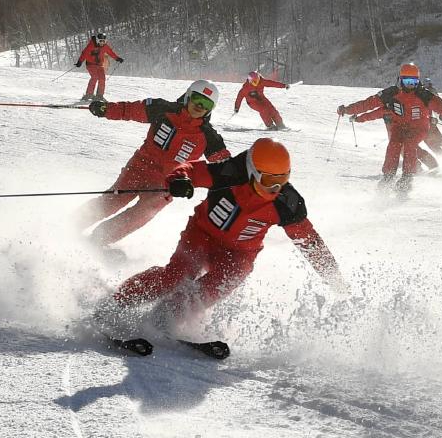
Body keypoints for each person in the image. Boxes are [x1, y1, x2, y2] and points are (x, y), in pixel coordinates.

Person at [106, 138, 345, 325]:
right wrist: (180, 179)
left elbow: (311, 243)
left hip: (239, 253)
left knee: (219, 284)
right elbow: (190, 169)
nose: (274, 188)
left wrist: (334, 278)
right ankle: (118, 301)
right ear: (252, 171)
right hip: (201, 235)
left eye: (281, 180)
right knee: (176, 277)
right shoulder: (230, 172)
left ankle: (166, 318)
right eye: (268, 180)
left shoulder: (287, 202)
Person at [83, 80, 229, 246]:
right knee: (113, 201)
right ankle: (73, 223)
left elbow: (225, 168)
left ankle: (98, 240)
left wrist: (248, 176)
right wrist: (106, 109)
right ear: (188, 96)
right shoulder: (163, 110)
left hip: (167, 183)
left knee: (143, 213)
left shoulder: (209, 136)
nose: (199, 106)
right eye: (197, 99)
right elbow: (130, 109)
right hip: (139, 168)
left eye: (206, 104)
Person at [337, 62, 442, 188]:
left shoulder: (423, 94)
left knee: (410, 144)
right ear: (401, 80)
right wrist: (347, 110)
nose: (411, 86)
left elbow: (440, 105)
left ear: (418, 81)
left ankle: (407, 177)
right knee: (393, 145)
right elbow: (368, 104)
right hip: (399, 127)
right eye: (408, 82)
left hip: (419, 127)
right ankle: (388, 175)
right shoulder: (391, 94)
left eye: (414, 82)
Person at [77, 32, 124, 103]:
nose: (102, 43)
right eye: (100, 41)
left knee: (102, 79)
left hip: (99, 65)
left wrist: (117, 58)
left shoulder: (105, 46)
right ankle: (88, 95)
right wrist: (80, 61)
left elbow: (110, 52)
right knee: (95, 77)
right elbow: (85, 53)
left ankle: (99, 96)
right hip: (90, 64)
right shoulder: (91, 45)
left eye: (104, 41)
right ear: (97, 40)